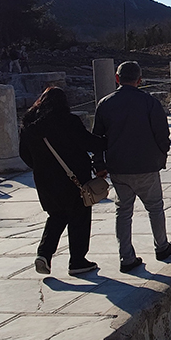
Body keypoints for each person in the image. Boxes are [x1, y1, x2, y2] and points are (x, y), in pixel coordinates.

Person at [92, 61, 171, 272]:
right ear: (140, 80)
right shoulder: (150, 102)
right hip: (147, 165)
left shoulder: (104, 103)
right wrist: (161, 154)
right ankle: (162, 246)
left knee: (123, 212)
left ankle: (126, 257)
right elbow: (162, 134)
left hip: (118, 168)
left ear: (117, 78)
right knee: (155, 208)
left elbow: (97, 139)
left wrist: (100, 164)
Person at [18, 87, 108, 276]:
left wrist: (42, 167)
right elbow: (89, 143)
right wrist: (108, 141)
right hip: (73, 179)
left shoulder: (28, 126)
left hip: (45, 181)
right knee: (79, 218)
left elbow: (24, 155)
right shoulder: (68, 121)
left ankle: (44, 254)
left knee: (56, 216)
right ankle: (77, 261)